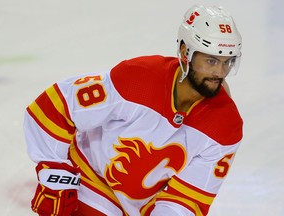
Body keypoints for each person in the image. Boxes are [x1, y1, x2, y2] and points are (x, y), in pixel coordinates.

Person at [24, 4, 243, 216]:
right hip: (89, 182)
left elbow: (188, 199)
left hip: (144, 205)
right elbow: (56, 104)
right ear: (186, 52)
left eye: (227, 62)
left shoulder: (225, 126)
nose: (220, 72)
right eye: (212, 61)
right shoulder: (137, 80)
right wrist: (55, 173)